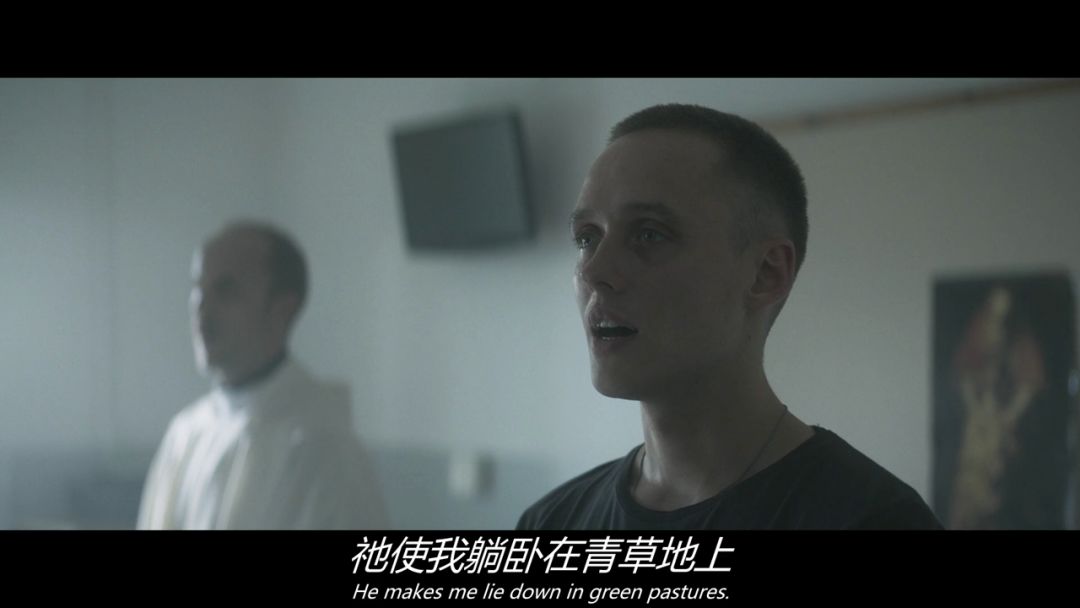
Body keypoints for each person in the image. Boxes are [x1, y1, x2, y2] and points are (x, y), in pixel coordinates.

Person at [517, 104, 941, 529]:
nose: (593, 272)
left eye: (649, 233)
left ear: (765, 274)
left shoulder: (873, 519)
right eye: (587, 238)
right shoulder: (552, 523)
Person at [137, 221, 387, 529]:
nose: (202, 307)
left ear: (282, 309)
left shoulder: (323, 447)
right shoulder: (185, 435)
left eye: (225, 290)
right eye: (198, 288)